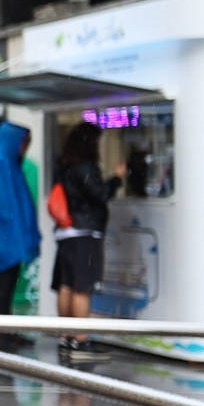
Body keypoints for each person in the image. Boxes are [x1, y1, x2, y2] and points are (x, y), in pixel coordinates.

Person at [52, 122, 125, 354]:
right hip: (85, 232)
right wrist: (117, 178)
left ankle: (65, 335)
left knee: (66, 285)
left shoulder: (64, 165)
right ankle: (81, 339)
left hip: (66, 232)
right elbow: (100, 194)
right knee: (82, 287)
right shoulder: (85, 168)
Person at [0, 122, 41, 351]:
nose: (26, 147)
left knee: (7, 286)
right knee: (0, 287)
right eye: (24, 142)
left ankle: (6, 332)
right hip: (2, 240)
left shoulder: (11, 165)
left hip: (9, 239)